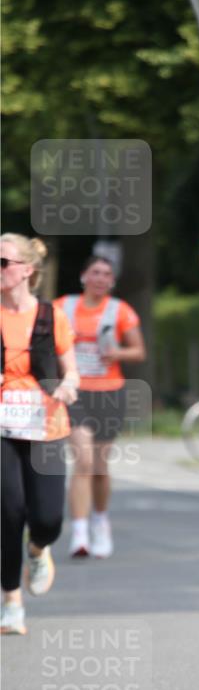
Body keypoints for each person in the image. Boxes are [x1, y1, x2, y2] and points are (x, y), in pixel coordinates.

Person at [1, 234, 79, 635]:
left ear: (26, 271)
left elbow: (71, 371)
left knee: (47, 518)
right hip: (2, 430)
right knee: (9, 511)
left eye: (3, 262)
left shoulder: (52, 315)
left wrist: (68, 387)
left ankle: (38, 549)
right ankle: (11, 601)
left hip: (46, 425)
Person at [56, 256, 146, 559]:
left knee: (98, 467)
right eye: (95, 272)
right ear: (83, 276)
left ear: (112, 281)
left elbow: (138, 351)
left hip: (109, 393)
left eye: (107, 274)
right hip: (74, 392)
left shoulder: (120, 310)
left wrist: (117, 352)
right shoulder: (63, 306)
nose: (100, 278)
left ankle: (100, 520)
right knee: (82, 461)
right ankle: (79, 534)